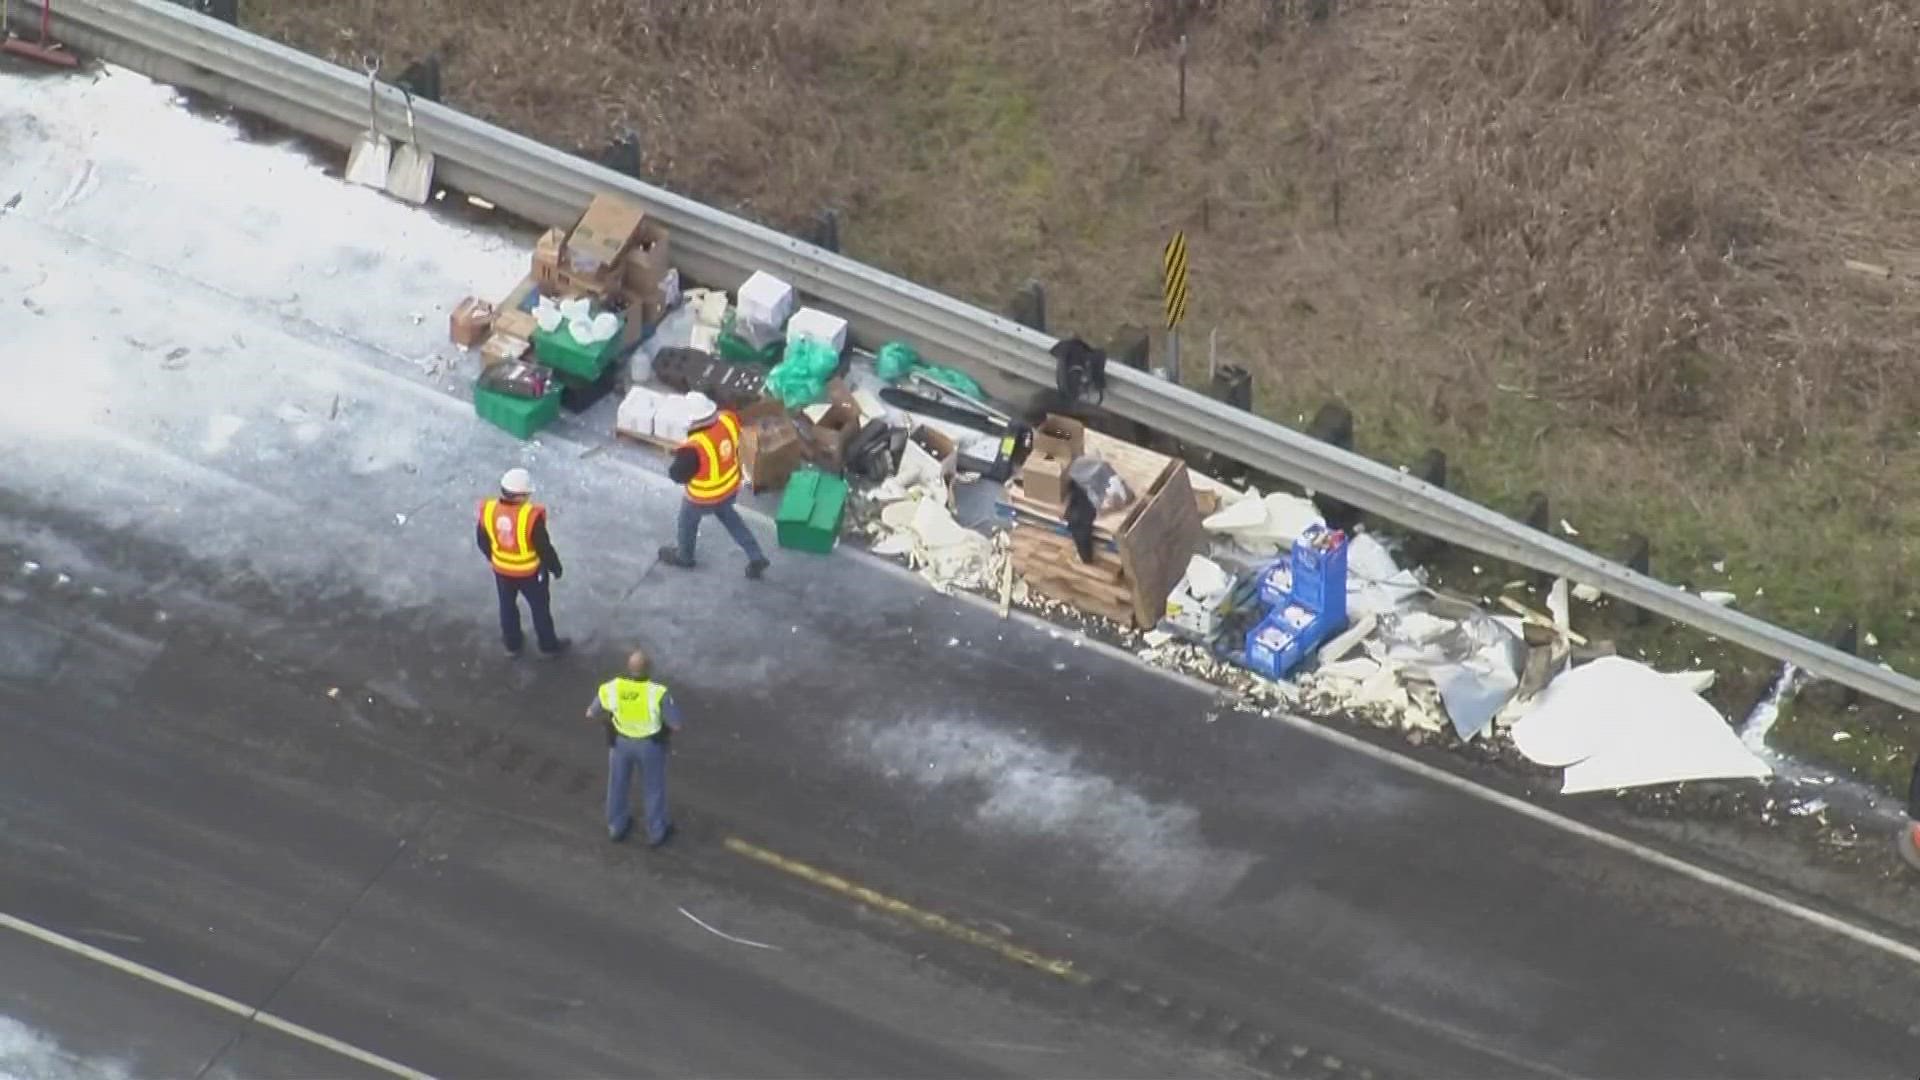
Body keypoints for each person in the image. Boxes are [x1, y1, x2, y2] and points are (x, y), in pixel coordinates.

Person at [657, 397, 770, 579]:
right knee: (732, 521)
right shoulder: (728, 419)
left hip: (702, 498)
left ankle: (684, 556)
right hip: (729, 490)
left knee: (686, 523)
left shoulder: (694, 447)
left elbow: (677, 475)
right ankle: (756, 555)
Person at [585, 649, 683, 846]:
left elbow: (590, 713)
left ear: (629, 668)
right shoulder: (658, 693)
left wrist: (610, 722)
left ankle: (616, 826)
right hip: (650, 747)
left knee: (617, 784)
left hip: (620, 744)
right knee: (653, 788)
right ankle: (656, 831)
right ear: (649, 670)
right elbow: (676, 725)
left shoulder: (613, 688)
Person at [476, 467, 571, 659]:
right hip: (530, 573)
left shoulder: (489, 510)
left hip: (501, 571)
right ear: (520, 496)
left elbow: (482, 540)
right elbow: (544, 547)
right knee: (540, 610)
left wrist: (495, 558)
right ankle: (548, 646)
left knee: (507, 607)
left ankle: (512, 644)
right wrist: (555, 567)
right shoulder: (530, 517)